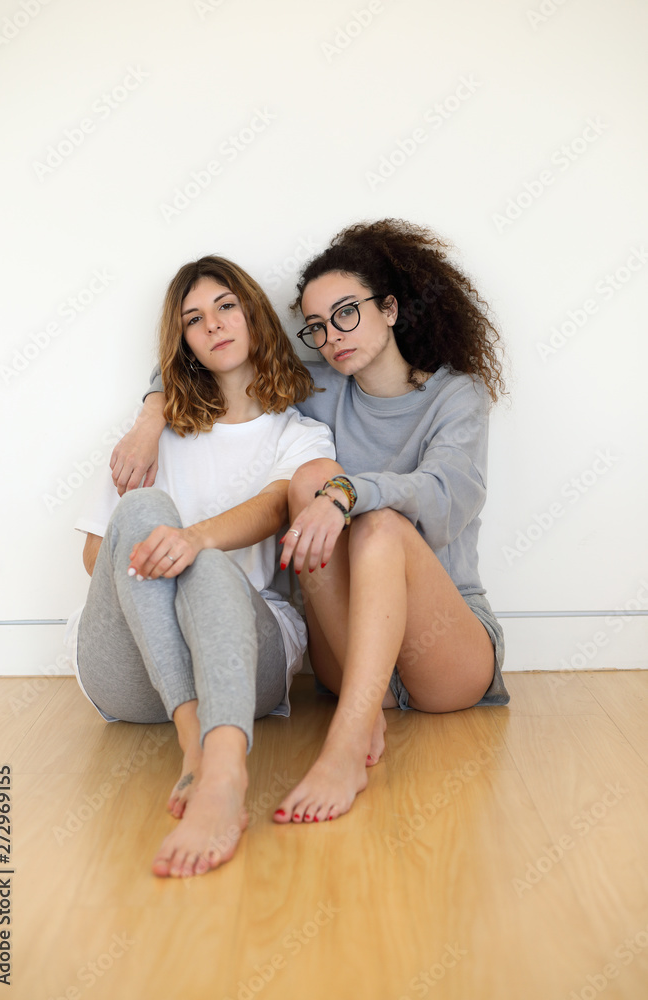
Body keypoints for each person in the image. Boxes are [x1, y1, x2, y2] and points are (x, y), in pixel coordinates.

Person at [110, 219, 510, 828]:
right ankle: (361, 702)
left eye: (347, 313)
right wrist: (147, 420)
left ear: (392, 308)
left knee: (377, 527)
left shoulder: (457, 396)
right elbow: (213, 361)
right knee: (304, 481)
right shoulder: (319, 383)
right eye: (317, 326)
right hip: (344, 642)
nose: (331, 337)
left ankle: (346, 748)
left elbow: (448, 496)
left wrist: (350, 491)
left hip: (443, 651)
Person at [65, 255, 335, 878]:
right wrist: (150, 425)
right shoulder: (152, 435)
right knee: (143, 509)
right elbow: (94, 557)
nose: (212, 325)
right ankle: (195, 742)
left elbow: (274, 508)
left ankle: (222, 774)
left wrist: (191, 545)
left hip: (244, 665)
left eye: (226, 307)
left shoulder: (298, 434)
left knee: (213, 568)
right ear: (180, 342)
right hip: (132, 670)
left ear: (254, 315)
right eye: (193, 319)